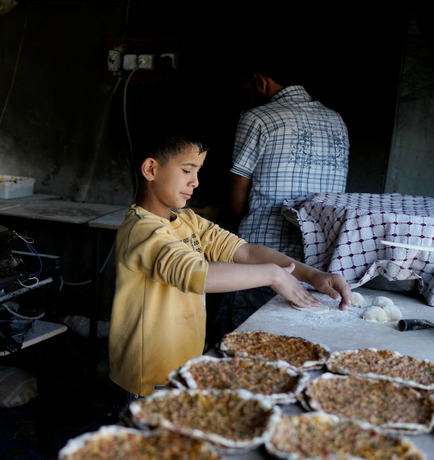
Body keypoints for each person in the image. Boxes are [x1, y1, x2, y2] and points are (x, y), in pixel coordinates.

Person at [108, 135, 350, 409]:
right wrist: (273, 275)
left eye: (198, 171)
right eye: (187, 170)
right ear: (151, 169)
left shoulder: (187, 220)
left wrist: (310, 274)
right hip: (148, 382)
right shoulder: (142, 231)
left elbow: (244, 252)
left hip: (181, 370)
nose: (195, 182)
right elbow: (195, 274)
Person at [211, 55, 350, 343]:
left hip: (260, 268)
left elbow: (237, 205)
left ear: (260, 80)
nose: (248, 97)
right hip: (318, 269)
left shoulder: (256, 118)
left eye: (247, 89)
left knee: (240, 359)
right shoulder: (337, 121)